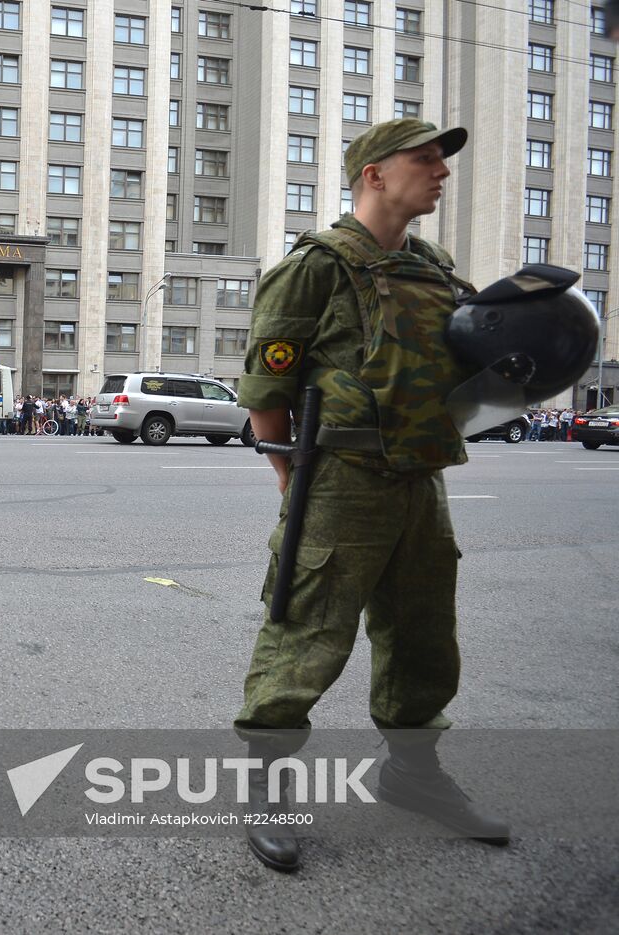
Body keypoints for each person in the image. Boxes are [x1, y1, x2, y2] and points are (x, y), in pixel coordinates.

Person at [234, 119, 509, 872]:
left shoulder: (436, 266)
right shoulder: (316, 266)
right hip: (343, 478)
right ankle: (266, 785)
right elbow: (267, 385)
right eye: (424, 161)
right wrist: (293, 477)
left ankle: (414, 774)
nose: (440, 173)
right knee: (306, 633)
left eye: (441, 162)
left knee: (423, 637)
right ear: (374, 175)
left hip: (421, 478)